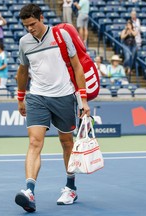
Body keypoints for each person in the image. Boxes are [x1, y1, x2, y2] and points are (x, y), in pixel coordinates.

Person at [14, 4, 89, 213]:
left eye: (32, 24)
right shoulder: (24, 42)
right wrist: (21, 98)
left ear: (41, 17)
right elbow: (22, 71)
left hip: (64, 96)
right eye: (26, 26)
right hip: (37, 97)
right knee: (34, 142)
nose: (30, 29)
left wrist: (83, 100)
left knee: (66, 142)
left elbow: (77, 66)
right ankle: (29, 190)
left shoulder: (61, 35)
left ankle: (71, 187)